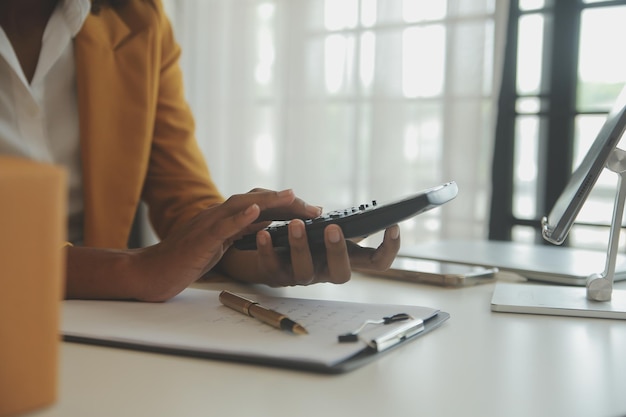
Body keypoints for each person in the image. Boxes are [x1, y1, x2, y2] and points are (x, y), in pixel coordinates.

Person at [0, 0, 401, 302]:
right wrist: (133, 270)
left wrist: (253, 249)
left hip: (97, 327)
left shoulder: (139, 20)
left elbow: (182, 198)